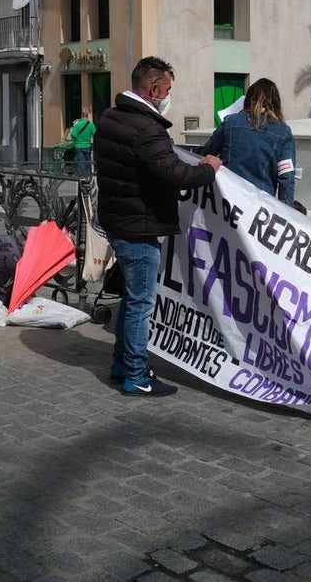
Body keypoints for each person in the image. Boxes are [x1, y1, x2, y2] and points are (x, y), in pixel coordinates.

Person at [94, 56, 222, 396]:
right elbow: (175, 173)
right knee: (140, 303)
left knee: (130, 298)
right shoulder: (146, 127)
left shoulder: (110, 117)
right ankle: (136, 373)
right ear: (153, 89)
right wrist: (209, 168)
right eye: (166, 88)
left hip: (118, 221)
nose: (167, 94)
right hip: (138, 226)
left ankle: (122, 363)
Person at [200, 77, 296, 204]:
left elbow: (206, 152)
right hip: (261, 207)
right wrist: (287, 213)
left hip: (228, 200)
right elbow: (286, 177)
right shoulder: (283, 132)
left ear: (248, 99)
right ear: (276, 103)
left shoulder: (230, 122)